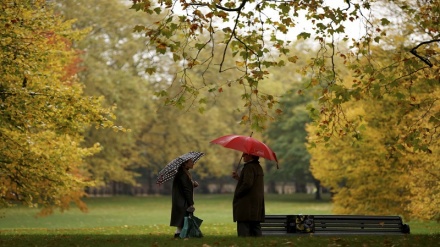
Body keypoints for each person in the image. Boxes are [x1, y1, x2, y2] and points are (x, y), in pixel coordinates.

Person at [231, 153, 265, 237]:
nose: (243, 156)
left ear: (251, 156)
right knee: (255, 228)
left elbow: (247, 184)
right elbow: (251, 182)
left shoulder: (249, 167)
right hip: (256, 204)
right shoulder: (258, 167)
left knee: (244, 229)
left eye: (245, 154)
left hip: (246, 204)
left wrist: (238, 193)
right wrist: (239, 178)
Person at [170, 158, 199, 238]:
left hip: (180, 200)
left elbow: (185, 186)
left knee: (182, 219)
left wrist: (192, 184)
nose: (193, 163)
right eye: (191, 162)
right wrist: (191, 203)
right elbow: (186, 190)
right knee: (184, 219)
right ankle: (179, 235)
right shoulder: (182, 174)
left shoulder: (183, 173)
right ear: (185, 164)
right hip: (182, 201)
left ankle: (178, 234)